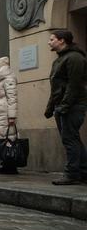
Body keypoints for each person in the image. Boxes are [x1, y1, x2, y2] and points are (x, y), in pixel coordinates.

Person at [45, 29, 87, 185]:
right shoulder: (60, 59)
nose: (49, 42)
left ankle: (72, 174)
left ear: (62, 40)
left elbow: (74, 85)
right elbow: (57, 87)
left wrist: (64, 106)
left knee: (70, 140)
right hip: (62, 106)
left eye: (52, 39)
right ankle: (82, 172)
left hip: (72, 106)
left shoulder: (74, 58)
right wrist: (50, 108)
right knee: (72, 139)